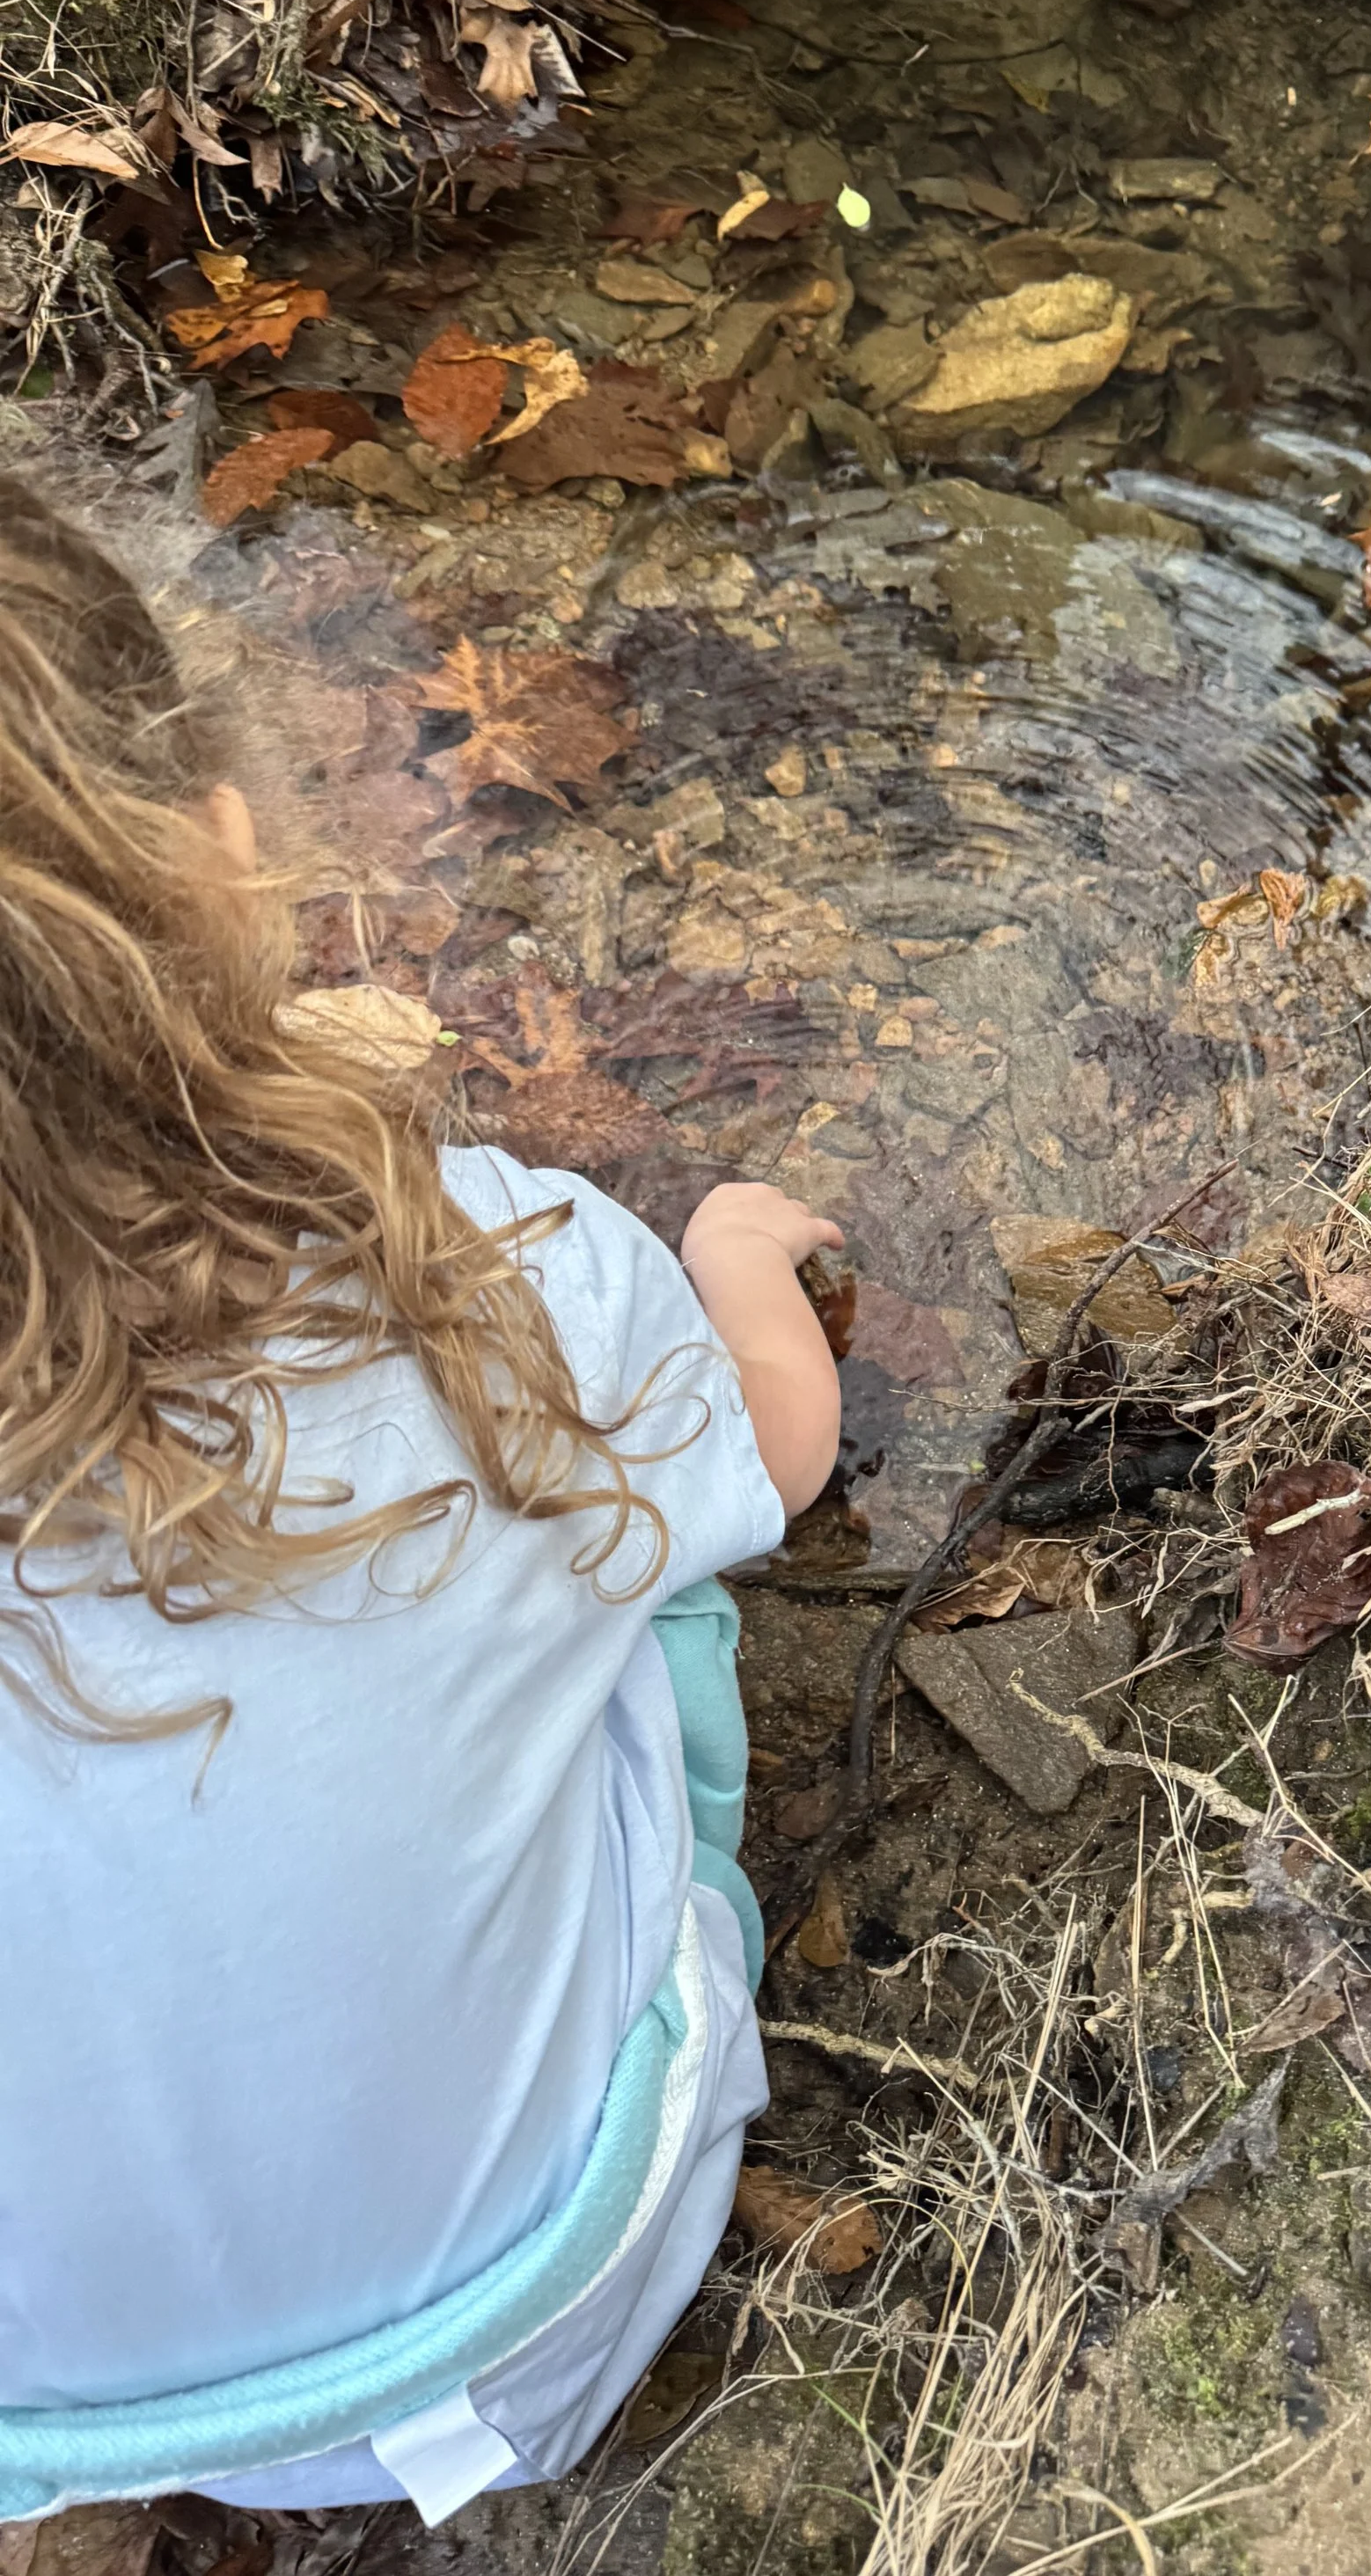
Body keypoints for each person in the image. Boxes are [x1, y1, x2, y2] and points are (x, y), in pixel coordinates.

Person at [0, 479, 843, 2526]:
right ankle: (690, 1930)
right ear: (212, 848)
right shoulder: (481, 1272)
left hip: (65, 2427)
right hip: (539, 2306)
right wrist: (730, 1265)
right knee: (651, 1576)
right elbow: (779, 1461)